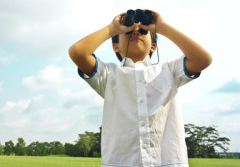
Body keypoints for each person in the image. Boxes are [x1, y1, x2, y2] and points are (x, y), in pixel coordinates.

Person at [68, 9, 212, 167]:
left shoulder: (169, 70)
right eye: (129, 32)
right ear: (115, 47)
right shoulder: (109, 74)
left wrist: (163, 28)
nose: (136, 33)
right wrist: (113, 29)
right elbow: (78, 52)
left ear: (153, 47)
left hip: (168, 161)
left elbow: (203, 59)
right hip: (121, 162)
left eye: (143, 32)